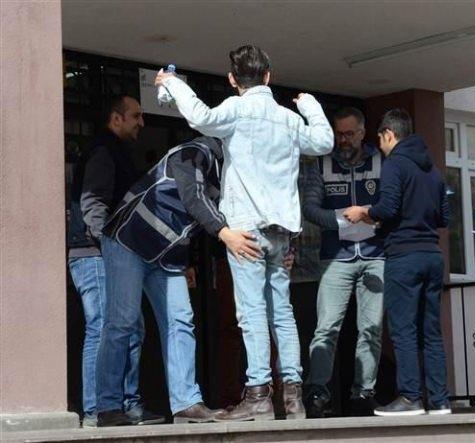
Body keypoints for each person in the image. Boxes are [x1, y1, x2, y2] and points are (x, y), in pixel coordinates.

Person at [155, 45, 334, 421]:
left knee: (252, 312)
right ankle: (293, 398)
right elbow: (323, 143)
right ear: (268, 76)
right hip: (282, 230)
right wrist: (310, 105)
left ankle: (258, 395)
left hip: (246, 227)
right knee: (281, 312)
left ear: (233, 80)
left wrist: (173, 83)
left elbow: (200, 117)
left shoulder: (236, 109)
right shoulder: (288, 119)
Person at [96, 136, 260, 426]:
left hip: (166, 257)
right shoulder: (192, 153)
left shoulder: (228, 174)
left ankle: (186, 404)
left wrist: (189, 262)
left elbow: (193, 221)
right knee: (121, 323)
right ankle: (108, 407)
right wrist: (224, 233)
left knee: (181, 321)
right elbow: (192, 197)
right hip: (128, 242)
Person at [344, 108, 451, 417]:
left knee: (403, 329)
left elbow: (388, 208)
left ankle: (410, 397)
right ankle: (440, 400)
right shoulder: (433, 170)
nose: (380, 147)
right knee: (431, 331)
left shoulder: (395, 164)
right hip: (432, 255)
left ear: (389, 134)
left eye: (380, 140)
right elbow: (444, 216)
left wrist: (364, 213)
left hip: (404, 255)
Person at [67, 95, 163, 427]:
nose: (141, 123)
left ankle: (126, 405)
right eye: (136, 116)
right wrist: (110, 247)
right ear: (116, 118)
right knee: (103, 328)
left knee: (131, 327)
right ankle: (97, 410)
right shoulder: (103, 151)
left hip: (106, 253)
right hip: (94, 254)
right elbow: (93, 206)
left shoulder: (116, 151)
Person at [302, 107, 384, 417]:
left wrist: (370, 214)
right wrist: (341, 220)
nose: (343, 140)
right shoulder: (322, 163)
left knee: (371, 329)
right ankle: (317, 394)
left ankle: (363, 393)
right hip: (335, 256)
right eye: (339, 134)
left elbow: (393, 203)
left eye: (350, 134)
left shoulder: (382, 162)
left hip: (376, 255)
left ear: (363, 132)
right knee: (326, 329)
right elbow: (310, 209)